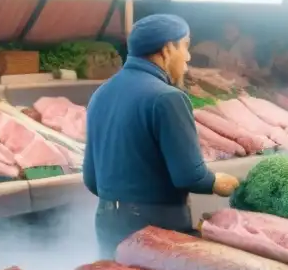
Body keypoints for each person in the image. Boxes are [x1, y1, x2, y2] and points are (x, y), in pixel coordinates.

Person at [83, 14, 239, 257]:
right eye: (185, 46)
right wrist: (220, 182)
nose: (188, 57)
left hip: (106, 220)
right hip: (154, 226)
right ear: (167, 49)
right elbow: (190, 176)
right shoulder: (168, 97)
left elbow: (92, 180)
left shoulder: (101, 94)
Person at [190, 22, 257, 74]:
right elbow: (191, 63)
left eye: (232, 32)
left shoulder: (243, 53)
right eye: (226, 31)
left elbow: (255, 75)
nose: (228, 36)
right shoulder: (205, 47)